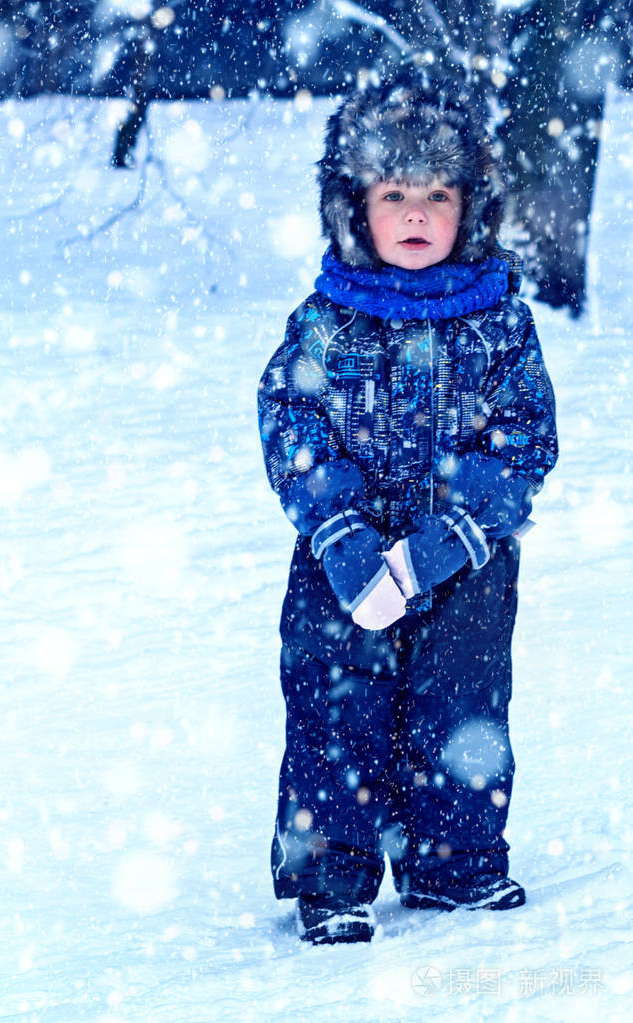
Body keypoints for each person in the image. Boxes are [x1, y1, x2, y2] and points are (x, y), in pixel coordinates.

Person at [257, 74, 558, 946]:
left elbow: (524, 438)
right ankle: (333, 878)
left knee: (461, 710)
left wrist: (446, 543)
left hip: (463, 563)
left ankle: (455, 862)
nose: (417, 212)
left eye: (438, 193)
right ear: (357, 208)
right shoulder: (325, 325)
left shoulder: (498, 322)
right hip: (340, 563)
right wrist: (345, 539)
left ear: (472, 207)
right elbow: (291, 424)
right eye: (395, 194)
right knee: (333, 711)